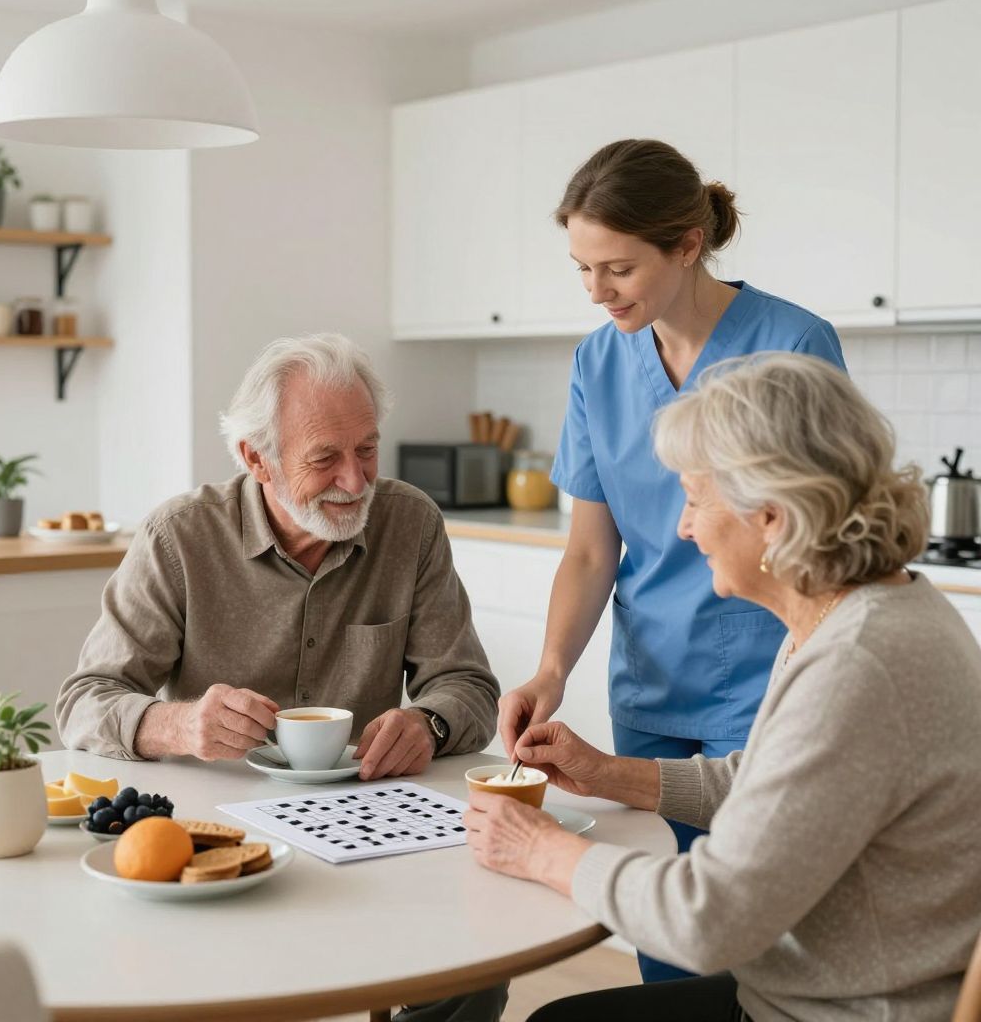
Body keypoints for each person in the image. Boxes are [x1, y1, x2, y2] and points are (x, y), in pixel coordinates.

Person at [468, 353, 981, 1021]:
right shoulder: (848, 612)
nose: (684, 528)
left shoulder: (858, 662)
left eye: (694, 497)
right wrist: (607, 774)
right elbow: (769, 786)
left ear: (771, 515)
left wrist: (542, 850)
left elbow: (707, 920)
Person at [496, 138, 847, 982]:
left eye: (616, 268)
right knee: (667, 939)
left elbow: (825, 532)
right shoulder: (597, 359)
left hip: (767, 678)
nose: (596, 291)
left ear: (688, 244)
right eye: (582, 268)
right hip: (651, 681)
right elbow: (589, 550)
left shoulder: (794, 341)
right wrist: (550, 672)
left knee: (764, 939)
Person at [56, 334, 500, 781]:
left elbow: (468, 687)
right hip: (216, 803)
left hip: (364, 802)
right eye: (324, 457)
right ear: (257, 459)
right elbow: (85, 702)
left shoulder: (411, 523)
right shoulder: (177, 537)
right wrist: (182, 726)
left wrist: (430, 725)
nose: (354, 481)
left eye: (366, 449)